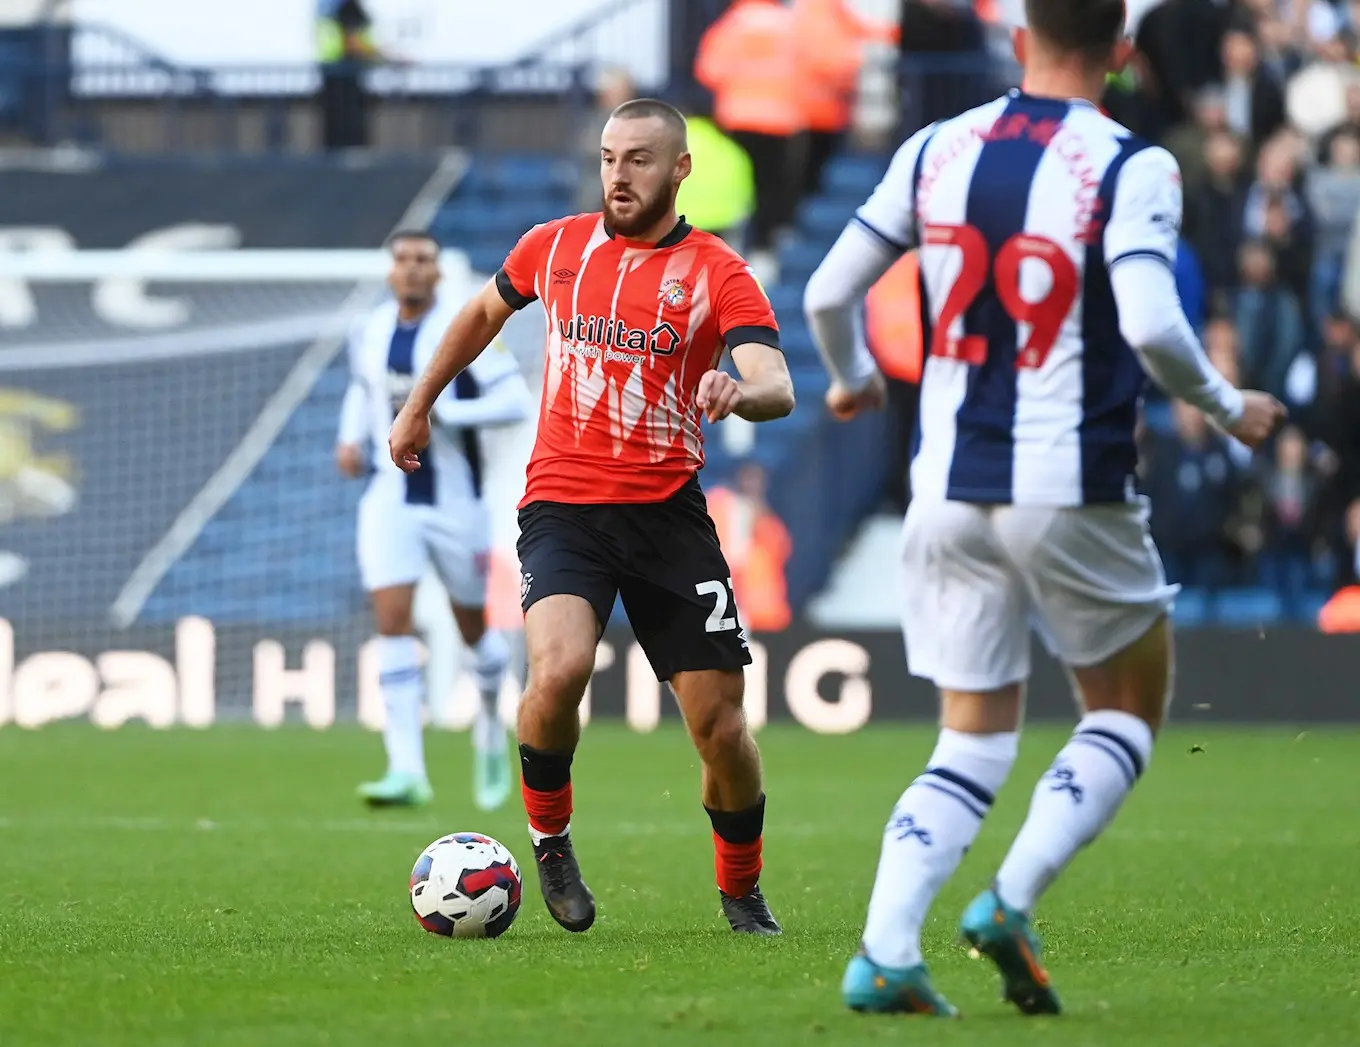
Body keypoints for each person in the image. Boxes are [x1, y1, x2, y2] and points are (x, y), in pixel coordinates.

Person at [804, 0, 1286, 1017]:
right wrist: (1226, 404)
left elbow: (825, 294)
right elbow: (1151, 325)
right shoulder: (1130, 165)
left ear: (1019, 41)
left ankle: (885, 953)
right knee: (1125, 706)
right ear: (1122, 53)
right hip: (1069, 482)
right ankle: (1010, 900)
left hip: (945, 487)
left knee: (972, 737)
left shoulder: (935, 149)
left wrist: (849, 379)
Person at [388, 99, 796, 936]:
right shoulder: (554, 246)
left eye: (639, 159)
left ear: (680, 169)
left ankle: (741, 886)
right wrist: (419, 403)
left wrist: (739, 389)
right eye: (610, 158)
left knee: (720, 728)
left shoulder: (717, 271)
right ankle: (550, 841)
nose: (619, 174)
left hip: (668, 517)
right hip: (563, 507)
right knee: (560, 669)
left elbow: (777, 383)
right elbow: (480, 314)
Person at [337, 231, 532, 811]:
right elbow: (363, 388)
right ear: (391, 271)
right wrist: (349, 437)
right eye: (403, 260)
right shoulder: (371, 329)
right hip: (389, 497)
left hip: (456, 501)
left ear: (439, 272)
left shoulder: (464, 330)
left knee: (473, 628)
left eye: (424, 260)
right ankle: (406, 770)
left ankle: (490, 727)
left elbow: (516, 402)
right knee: (391, 621)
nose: (413, 269)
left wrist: (442, 413)